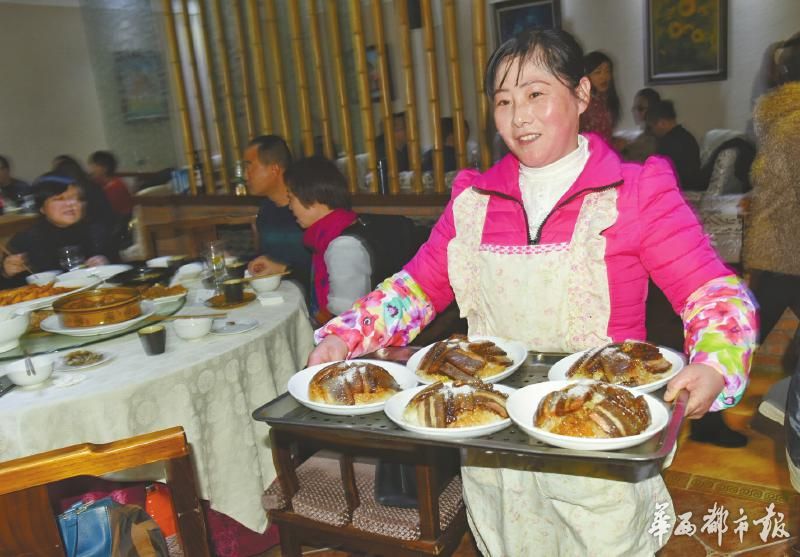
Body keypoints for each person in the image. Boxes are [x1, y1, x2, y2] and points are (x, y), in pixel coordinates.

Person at [308, 28, 757, 556]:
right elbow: (415, 288)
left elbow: (712, 292)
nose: (519, 117)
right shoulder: (474, 202)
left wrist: (714, 364)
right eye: (504, 101)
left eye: (536, 94)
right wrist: (346, 336)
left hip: (600, 440)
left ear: (582, 94)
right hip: (494, 440)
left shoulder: (634, 192)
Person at [745, 33, 800, 363]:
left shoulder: (780, 120)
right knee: (745, 340)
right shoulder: (792, 124)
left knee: (749, 337)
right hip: (786, 250)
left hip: (778, 250)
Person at [284, 156, 370, 324]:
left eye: (291, 198)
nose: (289, 206)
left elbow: (346, 314)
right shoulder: (326, 235)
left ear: (311, 197)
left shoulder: (343, 246)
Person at [1, 174, 118, 284]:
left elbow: (120, 267)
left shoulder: (97, 232)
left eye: (77, 198)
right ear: (42, 207)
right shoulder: (25, 241)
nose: (71, 204)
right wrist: (6, 272)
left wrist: (106, 263)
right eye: (60, 198)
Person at [244, 135, 312, 297]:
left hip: (311, 300)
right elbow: (269, 257)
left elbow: (328, 266)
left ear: (274, 169)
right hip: (275, 296)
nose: (245, 176)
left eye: (249, 167)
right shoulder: (266, 209)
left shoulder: (309, 205)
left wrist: (284, 269)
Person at [647, 99, 702, 190]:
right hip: (692, 186)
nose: (652, 131)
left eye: (651, 127)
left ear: (662, 123)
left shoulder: (666, 143)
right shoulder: (688, 136)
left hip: (679, 188)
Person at [579, 50, 620, 143]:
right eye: (598, 72)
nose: (604, 77)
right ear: (586, 75)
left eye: (607, 71)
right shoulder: (582, 102)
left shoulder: (606, 99)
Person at [619, 87, 661, 161]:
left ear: (652, 110)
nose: (634, 111)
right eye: (634, 107)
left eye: (640, 108)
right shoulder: (643, 135)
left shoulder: (653, 139)